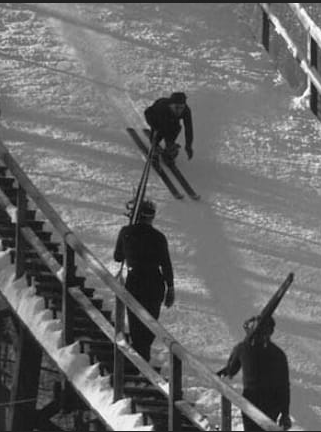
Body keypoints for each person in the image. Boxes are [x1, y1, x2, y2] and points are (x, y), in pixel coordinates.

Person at [113, 200, 175, 362]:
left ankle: (139, 362)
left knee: (136, 326)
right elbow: (166, 264)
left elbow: (117, 256)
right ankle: (142, 360)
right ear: (151, 217)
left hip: (135, 282)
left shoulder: (126, 232)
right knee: (150, 325)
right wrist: (170, 287)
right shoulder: (158, 237)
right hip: (155, 284)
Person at [217, 315, 292, 431]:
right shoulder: (278, 353)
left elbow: (231, 370)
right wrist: (285, 414)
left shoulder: (243, 348)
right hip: (272, 404)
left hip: (250, 401)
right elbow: (284, 386)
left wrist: (224, 370)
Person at [144, 91, 194, 163]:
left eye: (181, 107)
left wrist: (188, 146)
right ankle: (156, 146)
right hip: (155, 118)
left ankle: (169, 146)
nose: (179, 110)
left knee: (177, 127)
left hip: (171, 121)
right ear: (171, 105)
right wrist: (154, 130)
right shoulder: (162, 106)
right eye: (176, 107)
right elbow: (148, 113)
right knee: (159, 131)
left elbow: (189, 129)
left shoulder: (186, 111)